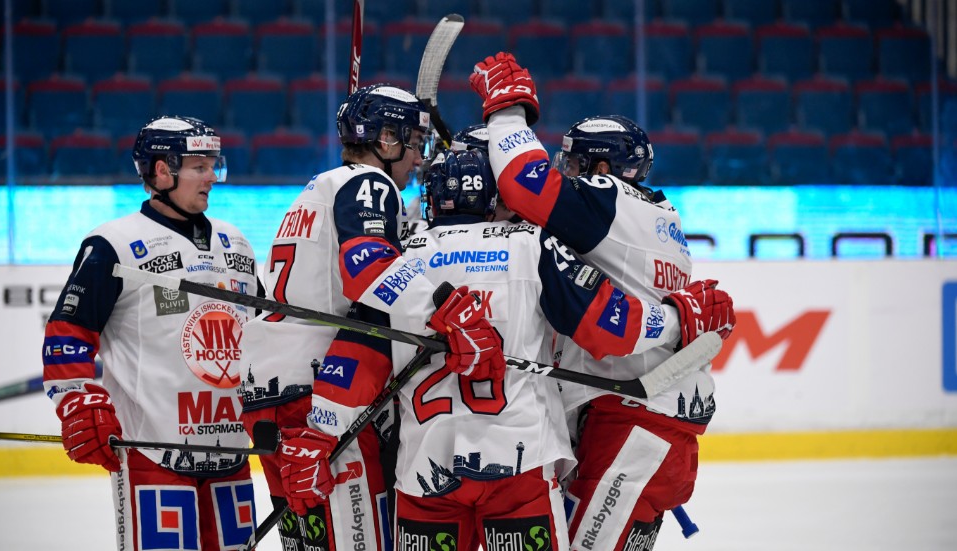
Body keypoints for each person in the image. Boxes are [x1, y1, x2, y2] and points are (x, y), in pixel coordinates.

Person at [296, 146, 727, 550]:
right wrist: (677, 316)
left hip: (425, 474)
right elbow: (608, 328)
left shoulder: (399, 262)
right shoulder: (531, 245)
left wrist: (319, 436)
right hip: (519, 470)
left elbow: (358, 357)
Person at [470, 52, 736, 550]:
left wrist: (507, 113)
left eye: (572, 163)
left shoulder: (611, 201)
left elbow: (527, 188)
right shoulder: (656, 222)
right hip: (652, 424)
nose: (563, 171)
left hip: (635, 425)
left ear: (602, 168)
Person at [237, 83, 506, 551]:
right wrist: (445, 310)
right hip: (324, 393)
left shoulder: (317, 188)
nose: (419, 158)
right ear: (385, 140)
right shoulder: (370, 184)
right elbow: (368, 270)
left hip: (267, 394)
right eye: (414, 143)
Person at [42, 116, 262, 551]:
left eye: (213, 165)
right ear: (162, 171)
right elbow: (67, 333)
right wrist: (77, 399)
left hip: (232, 450)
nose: (211, 178)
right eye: (199, 166)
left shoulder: (236, 243)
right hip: (152, 450)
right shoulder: (114, 244)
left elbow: (265, 333)